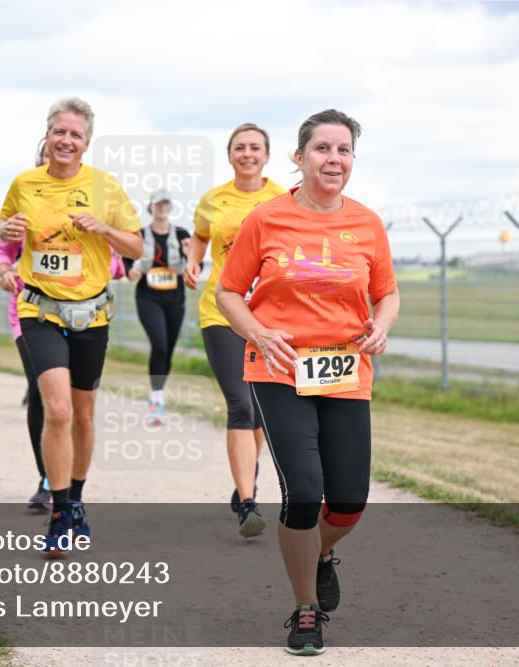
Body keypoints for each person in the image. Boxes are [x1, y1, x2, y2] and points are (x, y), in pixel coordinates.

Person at [216, 109, 399, 656]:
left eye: (343, 150)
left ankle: (320, 553)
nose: (333, 159)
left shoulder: (367, 223)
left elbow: (386, 292)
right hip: (280, 368)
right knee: (303, 491)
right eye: (322, 149)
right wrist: (257, 330)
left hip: (345, 370)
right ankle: (304, 611)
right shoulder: (266, 219)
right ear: (300, 158)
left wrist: (381, 324)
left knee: (348, 501)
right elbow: (228, 292)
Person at [0, 96, 143, 557]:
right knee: (56, 410)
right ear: (47, 135)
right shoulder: (24, 182)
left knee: (82, 414)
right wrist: (9, 230)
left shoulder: (106, 187)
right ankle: (60, 512)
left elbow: (136, 247)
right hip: (39, 309)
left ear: (87, 142)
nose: (66, 139)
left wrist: (103, 228)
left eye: (75, 134)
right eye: (59, 131)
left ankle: (76, 497)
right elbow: (3, 229)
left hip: (90, 314)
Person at [184, 123, 286, 539]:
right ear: (230, 156)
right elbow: (200, 235)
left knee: (260, 409)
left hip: (268, 316)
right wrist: (193, 261)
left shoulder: (283, 198)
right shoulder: (214, 199)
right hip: (221, 311)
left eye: (255, 147)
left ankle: (245, 475)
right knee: (240, 404)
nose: (247, 153)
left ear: (266, 155)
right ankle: (248, 503)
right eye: (239, 147)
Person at [0, 138, 53, 511]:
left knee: (73, 400)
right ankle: (47, 479)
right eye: (47, 155)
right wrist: (4, 269)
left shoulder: (90, 201)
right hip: (28, 310)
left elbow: (109, 260)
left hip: (82, 314)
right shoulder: (24, 202)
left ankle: (69, 480)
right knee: (41, 390)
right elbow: (1, 249)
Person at [125, 189, 191, 424]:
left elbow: (195, 267)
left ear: (170, 207)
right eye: (158, 204)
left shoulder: (182, 234)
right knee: (160, 344)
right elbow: (127, 260)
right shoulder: (140, 234)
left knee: (168, 349)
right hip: (148, 297)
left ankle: (159, 394)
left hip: (175, 299)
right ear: (150, 207)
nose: (162, 208)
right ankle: (156, 400)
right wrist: (130, 271)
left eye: (166, 204)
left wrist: (190, 255)